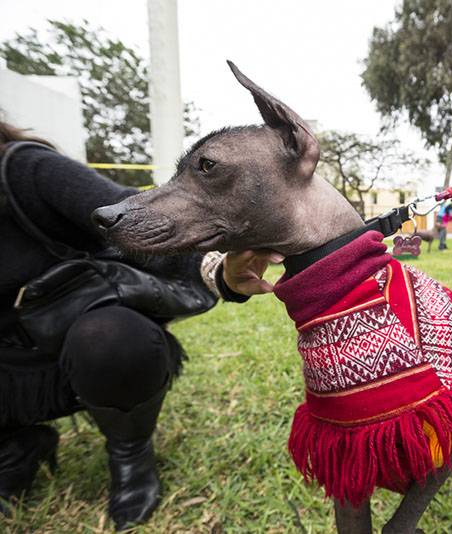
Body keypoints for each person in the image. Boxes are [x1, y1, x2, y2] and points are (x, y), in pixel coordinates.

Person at [0, 121, 278, 530]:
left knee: (111, 338)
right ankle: (13, 450)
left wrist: (216, 269)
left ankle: (130, 451)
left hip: (77, 349)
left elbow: (139, 220)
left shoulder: (24, 170)